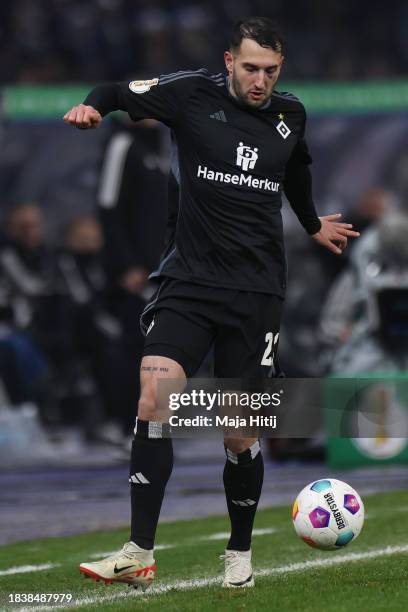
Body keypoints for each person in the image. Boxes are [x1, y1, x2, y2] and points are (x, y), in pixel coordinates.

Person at [64, 17, 359, 590]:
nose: (260, 81)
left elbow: (296, 170)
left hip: (256, 292)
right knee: (154, 400)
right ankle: (138, 553)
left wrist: (309, 221)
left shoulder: (289, 114)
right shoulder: (188, 93)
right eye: (250, 68)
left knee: (238, 431)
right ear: (229, 60)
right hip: (190, 282)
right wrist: (90, 107)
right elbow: (116, 92)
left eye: (271, 71)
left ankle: (239, 554)